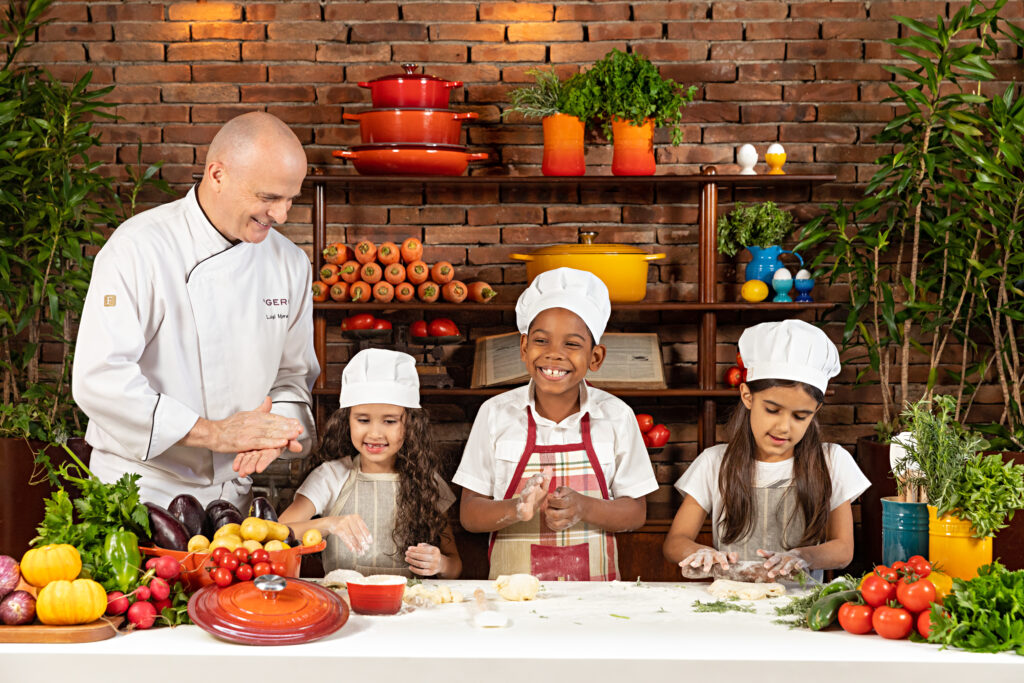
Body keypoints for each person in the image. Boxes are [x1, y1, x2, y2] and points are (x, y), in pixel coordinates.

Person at [72, 112, 319, 509]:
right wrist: (212, 433)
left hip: (231, 494)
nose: (282, 215)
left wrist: (275, 433)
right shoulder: (139, 247)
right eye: (268, 197)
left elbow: (292, 375)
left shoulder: (290, 264)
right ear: (217, 174)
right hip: (138, 489)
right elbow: (100, 379)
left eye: (290, 198)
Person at [455, 267, 658, 581]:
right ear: (524, 348)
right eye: (541, 340)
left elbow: (636, 512)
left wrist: (583, 508)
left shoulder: (616, 416)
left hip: (595, 599)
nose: (554, 355)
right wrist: (516, 509)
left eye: (572, 344)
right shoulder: (494, 414)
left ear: (596, 357)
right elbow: (469, 513)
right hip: (513, 599)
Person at [663, 319, 870, 581]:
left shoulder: (831, 461)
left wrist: (803, 556)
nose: (784, 427)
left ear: (815, 411)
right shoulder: (714, 462)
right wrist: (701, 551)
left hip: (800, 607)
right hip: (730, 604)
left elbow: (843, 550)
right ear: (747, 396)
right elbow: (675, 542)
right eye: (772, 410)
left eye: (800, 416)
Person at [279, 348, 461, 578]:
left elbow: (455, 566)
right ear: (348, 421)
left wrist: (440, 564)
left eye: (390, 421)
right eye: (363, 420)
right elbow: (277, 532)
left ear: (409, 424)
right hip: (343, 605)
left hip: (409, 606)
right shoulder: (331, 476)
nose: (375, 433)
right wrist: (329, 524)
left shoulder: (426, 481)